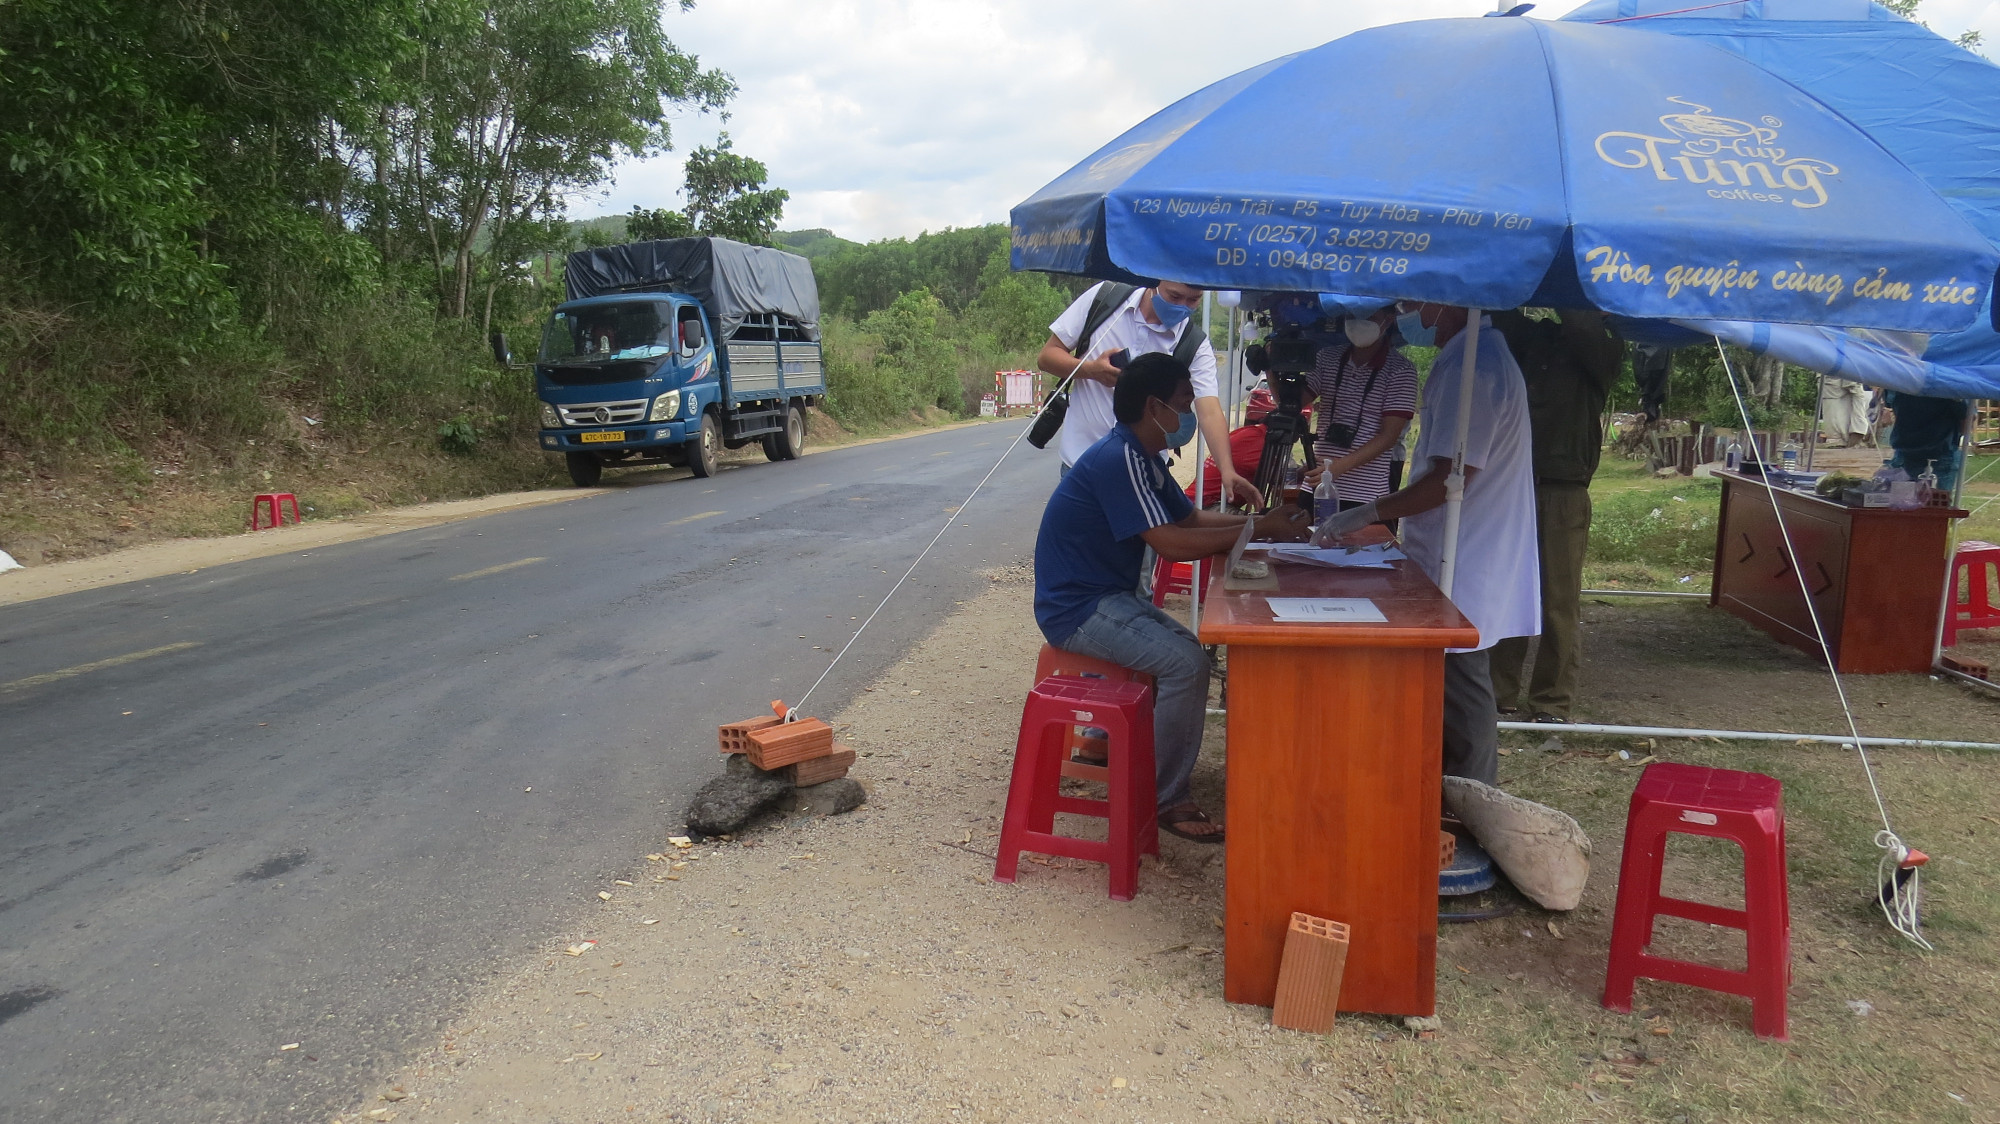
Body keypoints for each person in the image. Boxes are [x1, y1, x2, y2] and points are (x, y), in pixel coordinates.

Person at [1034, 353, 1309, 841]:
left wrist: (1256, 526)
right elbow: (1173, 543)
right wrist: (1256, 528)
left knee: (1188, 652)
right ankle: (1164, 799)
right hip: (1077, 609)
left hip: (1105, 597)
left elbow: (1187, 519)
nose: (1189, 414)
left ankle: (1146, 762)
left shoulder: (1142, 455)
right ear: (1154, 405)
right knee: (1187, 664)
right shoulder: (1119, 459)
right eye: (1184, 401)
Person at [1314, 304, 1539, 786]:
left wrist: (1371, 511)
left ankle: (1471, 803)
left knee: (1462, 680)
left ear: (1451, 303)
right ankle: (1447, 790)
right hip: (1458, 543)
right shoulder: (1469, 358)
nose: (1409, 312)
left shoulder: (1473, 364)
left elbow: (1448, 480)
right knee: (1449, 679)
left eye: (1416, 302)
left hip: (1468, 548)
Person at [1488, 307, 1623, 725]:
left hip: (1564, 489)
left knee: (1558, 603)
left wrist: (1572, 291)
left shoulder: (1603, 348)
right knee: (1509, 594)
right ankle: (1498, 694)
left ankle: (1550, 703)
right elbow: (1501, 316)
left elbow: (1583, 326)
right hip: (1515, 486)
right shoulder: (1530, 342)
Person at [1037, 281, 1262, 506]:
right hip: (1080, 465)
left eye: (1193, 300)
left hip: (1141, 473)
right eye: (1174, 297)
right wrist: (1091, 371)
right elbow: (1047, 357)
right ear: (1154, 281)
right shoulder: (1105, 299)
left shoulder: (1193, 344)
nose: (1182, 306)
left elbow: (1210, 411)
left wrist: (1227, 470)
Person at [1301, 306, 1418, 508]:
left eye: (1368, 316)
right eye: (1352, 316)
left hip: (1365, 493)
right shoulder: (1326, 358)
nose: (1358, 322)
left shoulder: (1401, 370)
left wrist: (1337, 468)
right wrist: (1271, 368)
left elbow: (1388, 437)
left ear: (1388, 320)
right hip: (1316, 487)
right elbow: (1295, 401)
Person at [1187, 386, 1278, 506]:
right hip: (1208, 505)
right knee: (1267, 524)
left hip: (1197, 500)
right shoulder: (1260, 442)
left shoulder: (1248, 432)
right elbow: (1280, 477)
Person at [1884, 391, 1970, 493]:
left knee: (1930, 503)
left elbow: (1967, 419)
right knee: (1906, 503)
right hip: (1911, 454)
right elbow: (1967, 421)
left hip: (1937, 455)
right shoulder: (1951, 383)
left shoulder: (1899, 380)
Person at [1820, 375, 1874, 449]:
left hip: (1844, 376)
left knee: (1856, 397)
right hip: (1832, 379)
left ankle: (1855, 433)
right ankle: (1842, 437)